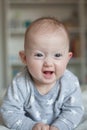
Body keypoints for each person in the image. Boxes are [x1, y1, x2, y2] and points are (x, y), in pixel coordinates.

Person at [0, 17, 84, 130]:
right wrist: (31, 126)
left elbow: (74, 110)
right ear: (24, 58)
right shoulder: (20, 83)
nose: (48, 63)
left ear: (67, 58)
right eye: (39, 55)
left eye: (57, 55)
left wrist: (59, 127)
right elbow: (9, 112)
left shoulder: (70, 82)